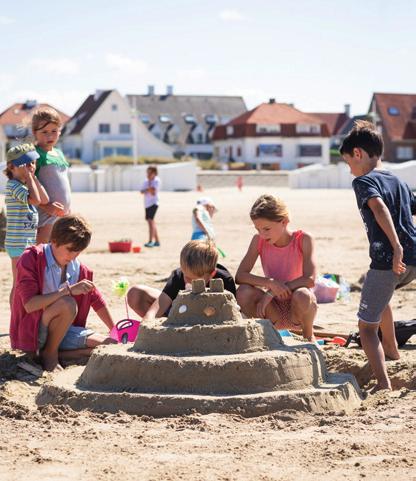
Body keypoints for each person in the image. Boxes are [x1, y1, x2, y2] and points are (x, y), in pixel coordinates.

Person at [340, 120, 416, 391]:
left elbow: (378, 206)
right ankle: (393, 351)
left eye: (348, 163)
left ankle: (383, 384)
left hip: (389, 260)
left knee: (366, 327)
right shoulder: (398, 180)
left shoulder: (364, 181)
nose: (350, 170)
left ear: (358, 153)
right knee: (381, 301)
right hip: (413, 261)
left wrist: (396, 246)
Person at [10, 215, 116, 371]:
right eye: (70, 250)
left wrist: (115, 330)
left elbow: (96, 299)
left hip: (62, 331)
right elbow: (30, 305)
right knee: (67, 303)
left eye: (78, 252)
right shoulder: (31, 258)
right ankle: (50, 354)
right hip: (33, 332)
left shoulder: (79, 268)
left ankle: (52, 353)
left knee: (111, 345)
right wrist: (67, 291)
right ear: (53, 241)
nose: (73, 256)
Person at [235, 194, 317, 341]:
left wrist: (271, 292)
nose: (262, 234)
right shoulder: (258, 240)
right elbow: (240, 276)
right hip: (272, 310)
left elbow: (310, 280)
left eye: (266, 229)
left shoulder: (303, 239)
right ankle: (267, 336)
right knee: (243, 292)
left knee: (304, 294)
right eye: (258, 229)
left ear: (284, 222)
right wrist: (270, 283)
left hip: (298, 307)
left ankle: (308, 335)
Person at [127, 240, 236, 322]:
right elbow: (158, 307)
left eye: (194, 280)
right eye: (186, 276)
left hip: (209, 316)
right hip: (179, 310)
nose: (188, 281)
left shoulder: (224, 280)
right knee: (135, 293)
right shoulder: (178, 276)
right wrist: (146, 326)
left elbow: (232, 314)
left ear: (211, 274)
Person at [4, 144, 49, 305]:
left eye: (33, 163)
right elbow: (35, 200)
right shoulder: (13, 185)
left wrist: (33, 177)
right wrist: (30, 178)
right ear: (11, 167)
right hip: (17, 243)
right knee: (18, 282)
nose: (31, 166)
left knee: (24, 281)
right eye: (26, 163)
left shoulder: (26, 184)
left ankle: (20, 313)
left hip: (26, 242)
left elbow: (44, 200)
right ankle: (14, 318)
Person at [32, 106, 71, 244]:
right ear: (34, 133)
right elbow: (29, 186)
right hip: (46, 216)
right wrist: (47, 206)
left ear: (60, 131)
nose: (50, 136)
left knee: (59, 253)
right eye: (44, 132)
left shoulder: (59, 153)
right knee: (42, 253)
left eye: (54, 131)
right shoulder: (35, 155)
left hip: (63, 215)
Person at [140, 166, 161, 247]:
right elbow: (142, 191)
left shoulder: (156, 180)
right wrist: (148, 188)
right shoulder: (146, 181)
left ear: (154, 173)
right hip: (147, 203)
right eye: (147, 172)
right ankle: (157, 241)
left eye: (150, 172)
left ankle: (150, 240)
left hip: (154, 203)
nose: (148, 174)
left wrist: (148, 185)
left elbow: (153, 192)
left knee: (150, 221)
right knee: (152, 222)